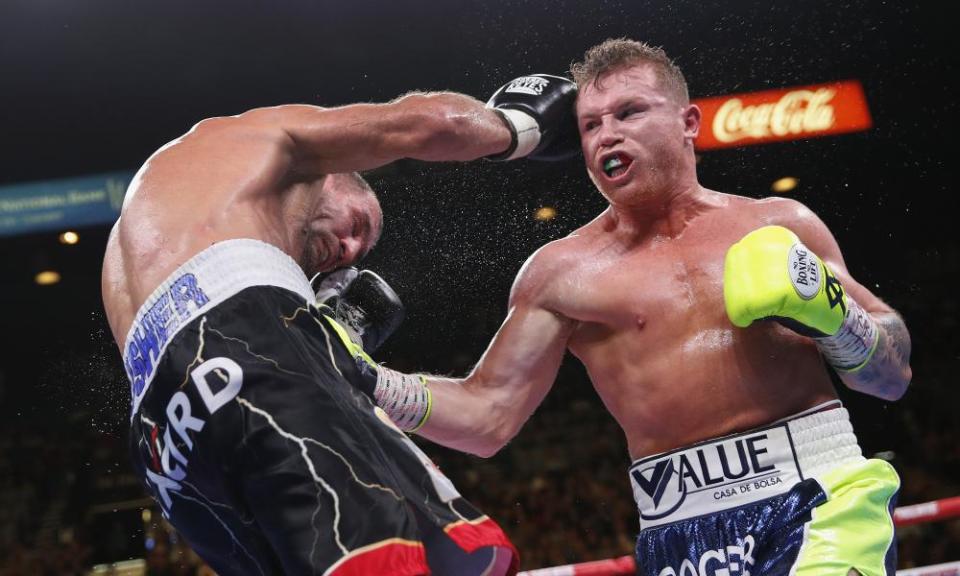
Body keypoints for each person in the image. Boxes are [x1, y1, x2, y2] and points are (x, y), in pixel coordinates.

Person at [343, 40, 912, 575]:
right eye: (591, 124)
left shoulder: (779, 223)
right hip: (678, 528)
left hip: (818, 493)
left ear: (688, 123)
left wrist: (840, 318)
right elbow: (488, 416)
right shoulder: (561, 273)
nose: (606, 135)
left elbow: (891, 377)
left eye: (629, 112)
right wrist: (367, 378)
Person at [100, 79, 579, 576]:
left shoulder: (140, 239)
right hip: (249, 343)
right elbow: (426, 123)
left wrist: (347, 362)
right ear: (332, 175)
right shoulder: (251, 138)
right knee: (403, 561)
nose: (349, 252)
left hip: (164, 451)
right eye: (358, 225)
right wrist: (518, 126)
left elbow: (486, 424)